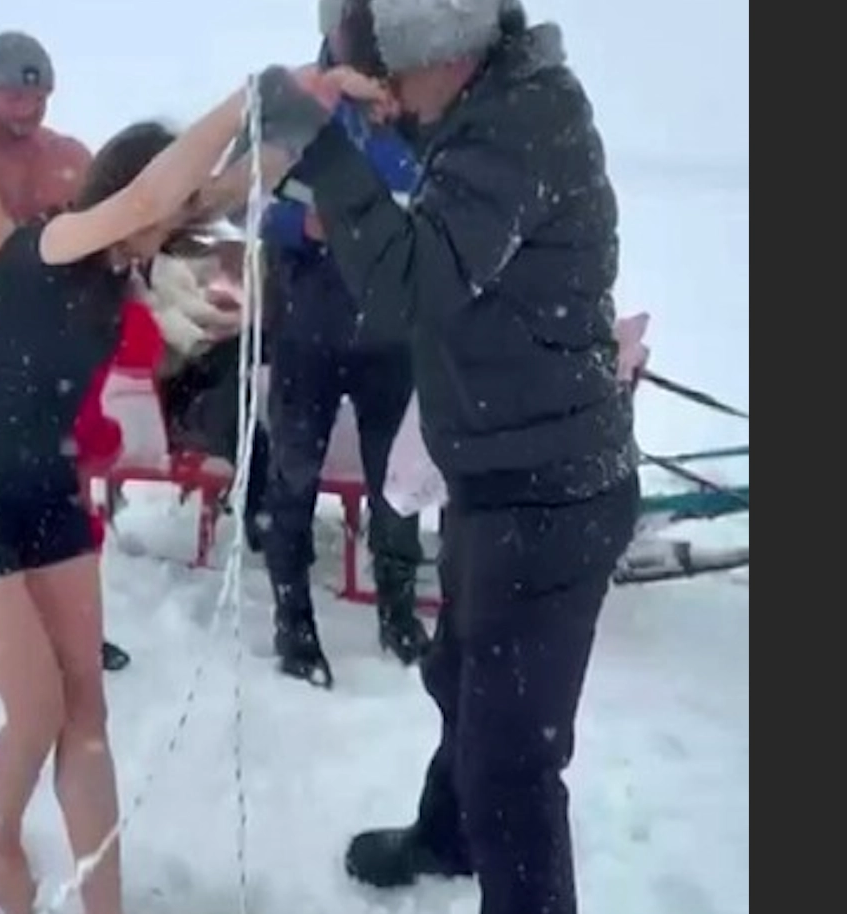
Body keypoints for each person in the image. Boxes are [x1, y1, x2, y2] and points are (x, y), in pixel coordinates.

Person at [248, 2, 641, 912]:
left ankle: (493, 856)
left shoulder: (520, 122)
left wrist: (322, 149)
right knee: (459, 681)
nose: (386, 97)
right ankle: (447, 836)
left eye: (387, 76)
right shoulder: (488, 109)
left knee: (512, 764)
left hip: (548, 497)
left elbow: (408, 285)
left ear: (437, 46)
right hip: (497, 476)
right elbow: (437, 211)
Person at [0, 66, 269, 907]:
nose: (170, 235)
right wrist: (248, 95)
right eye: (162, 215)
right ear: (129, 193)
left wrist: (310, 104)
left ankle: (104, 901)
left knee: (86, 714)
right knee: (36, 710)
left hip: (46, 495)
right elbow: (156, 196)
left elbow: (208, 194)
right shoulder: (47, 245)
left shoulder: (121, 273)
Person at [0, 30, 128, 698]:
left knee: (57, 481)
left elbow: (110, 230)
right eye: (12, 93)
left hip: (55, 340)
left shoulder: (70, 155)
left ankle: (72, 622)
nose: (26, 106)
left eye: (37, 94)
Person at [258, 32, 429, 689]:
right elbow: (246, 211)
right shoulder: (297, 127)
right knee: (294, 476)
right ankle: (293, 620)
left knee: (398, 483)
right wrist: (300, 226)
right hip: (308, 338)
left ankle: (398, 612)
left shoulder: (415, 134)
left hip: (392, 342)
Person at [144, 254, 272, 550]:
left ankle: (262, 511)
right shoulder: (131, 282)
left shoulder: (158, 267)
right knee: (234, 412)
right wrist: (222, 325)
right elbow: (174, 322)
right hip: (176, 391)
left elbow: (188, 308)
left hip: (192, 372)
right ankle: (261, 515)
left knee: (255, 349)